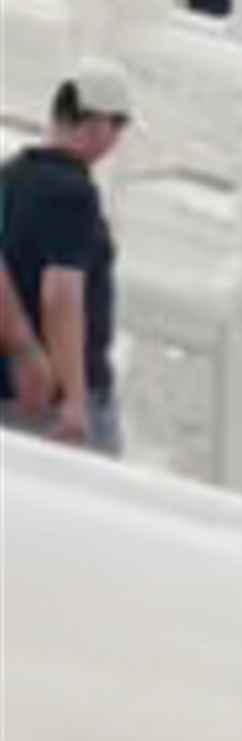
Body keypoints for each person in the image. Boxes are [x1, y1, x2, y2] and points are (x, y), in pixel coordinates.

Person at [1, 70, 133, 454]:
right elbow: (61, 296)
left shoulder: (10, 176)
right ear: (96, 123)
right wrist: (74, 400)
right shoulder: (71, 194)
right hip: (55, 404)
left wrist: (22, 351)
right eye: (117, 125)